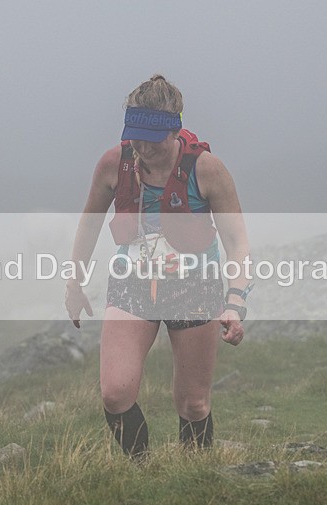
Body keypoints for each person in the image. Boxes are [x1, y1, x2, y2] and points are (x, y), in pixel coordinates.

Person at [65, 74, 251, 460]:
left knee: (193, 403)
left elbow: (237, 243)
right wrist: (74, 284)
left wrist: (235, 302)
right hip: (132, 283)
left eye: (152, 140)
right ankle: (144, 473)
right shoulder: (114, 164)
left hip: (195, 288)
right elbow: (89, 224)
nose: (142, 148)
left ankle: (193, 477)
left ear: (174, 130)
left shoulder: (207, 169)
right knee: (115, 393)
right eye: (135, 137)